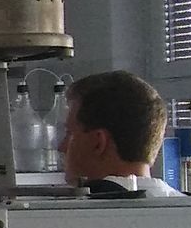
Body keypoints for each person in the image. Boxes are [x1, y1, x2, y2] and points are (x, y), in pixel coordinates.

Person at [60, 70, 184, 198]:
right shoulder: (187, 204)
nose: (61, 147)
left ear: (98, 143)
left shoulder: (77, 208)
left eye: (69, 134)